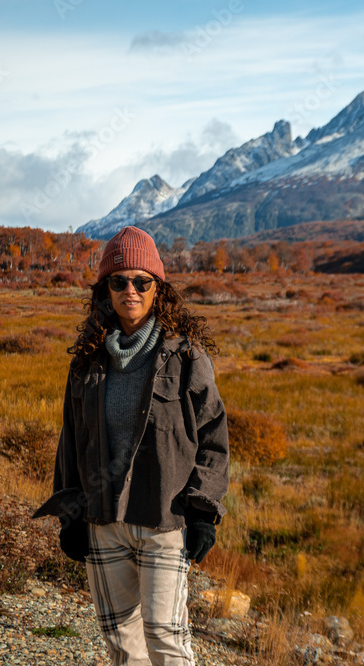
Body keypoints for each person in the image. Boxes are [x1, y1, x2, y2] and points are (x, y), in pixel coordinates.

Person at [31, 225, 229, 666]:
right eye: (118, 281)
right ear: (105, 289)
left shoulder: (185, 358)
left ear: (159, 289)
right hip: (104, 521)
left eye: (142, 281)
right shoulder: (87, 362)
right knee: (122, 643)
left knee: (165, 637)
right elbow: (71, 439)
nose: (131, 290)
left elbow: (213, 439)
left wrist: (203, 513)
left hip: (164, 518)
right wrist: (70, 515)